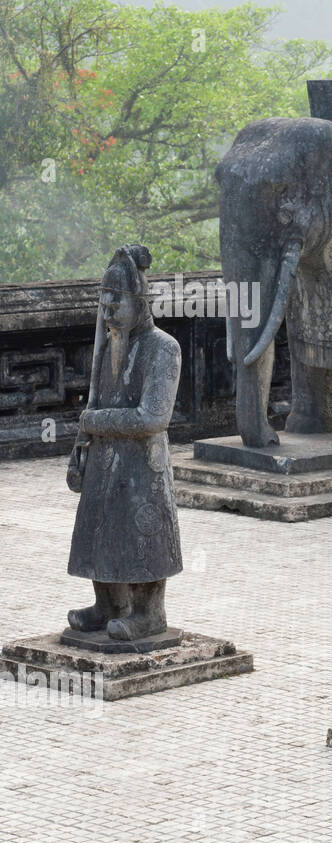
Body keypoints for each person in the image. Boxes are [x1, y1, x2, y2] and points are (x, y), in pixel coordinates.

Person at [67, 244, 184, 641]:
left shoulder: (163, 348)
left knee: (142, 536)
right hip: (104, 460)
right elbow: (96, 403)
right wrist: (80, 451)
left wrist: (95, 421)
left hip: (142, 464)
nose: (108, 313)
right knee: (98, 528)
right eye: (103, 304)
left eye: (116, 303)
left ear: (140, 303)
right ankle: (108, 604)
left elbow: (153, 417)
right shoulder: (108, 348)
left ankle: (150, 614)